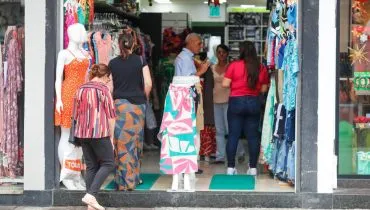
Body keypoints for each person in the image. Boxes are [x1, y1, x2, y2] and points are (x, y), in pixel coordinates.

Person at [108, 28, 152, 191]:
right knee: (135, 142)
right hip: (137, 107)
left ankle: (122, 181)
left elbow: (111, 87)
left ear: (118, 46)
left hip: (119, 106)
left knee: (121, 143)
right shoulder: (140, 61)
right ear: (133, 44)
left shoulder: (112, 63)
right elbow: (148, 83)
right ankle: (133, 178)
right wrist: (143, 98)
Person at [222, 41, 269, 176]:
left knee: (233, 136)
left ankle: (231, 168)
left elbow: (225, 84)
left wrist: (237, 85)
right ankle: (253, 168)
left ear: (241, 51)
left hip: (236, 102)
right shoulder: (261, 67)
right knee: (253, 137)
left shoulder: (234, 65)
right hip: (254, 102)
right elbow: (264, 88)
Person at [74, 64, 116, 210]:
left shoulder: (80, 88)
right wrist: (111, 137)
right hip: (99, 132)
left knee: (91, 166)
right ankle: (91, 195)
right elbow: (111, 115)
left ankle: (90, 205)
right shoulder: (103, 90)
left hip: (82, 132)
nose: (108, 82)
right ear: (105, 76)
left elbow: (75, 114)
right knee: (109, 163)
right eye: (108, 79)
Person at [174, 33, 210, 175]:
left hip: (187, 98)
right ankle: (190, 164)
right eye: (198, 43)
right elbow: (188, 80)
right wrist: (202, 70)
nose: (200, 46)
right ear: (190, 42)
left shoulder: (186, 57)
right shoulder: (185, 58)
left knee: (191, 131)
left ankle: (189, 163)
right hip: (188, 98)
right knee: (192, 132)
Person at [212, 44, 246, 164]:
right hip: (215, 101)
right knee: (219, 130)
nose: (221, 54)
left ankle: (240, 151)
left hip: (229, 101)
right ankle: (220, 156)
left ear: (227, 54)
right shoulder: (212, 67)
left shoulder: (231, 67)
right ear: (216, 54)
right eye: (219, 52)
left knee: (231, 129)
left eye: (223, 52)